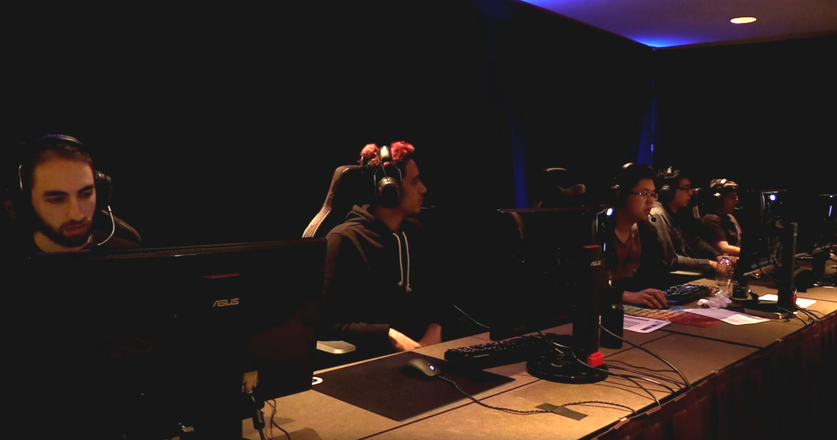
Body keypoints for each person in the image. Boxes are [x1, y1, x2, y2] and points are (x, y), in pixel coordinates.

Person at [321, 140, 442, 357]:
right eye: (415, 181)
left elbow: (437, 296)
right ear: (390, 189)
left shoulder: (416, 233)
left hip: (422, 357)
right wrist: (388, 335)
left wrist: (435, 326)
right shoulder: (344, 240)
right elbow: (324, 323)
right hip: (368, 363)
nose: (423, 189)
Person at [2, 134, 139, 255]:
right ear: (26, 201)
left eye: (86, 194)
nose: (77, 215)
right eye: (57, 199)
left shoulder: (130, 254)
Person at [605, 163, 670, 309]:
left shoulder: (647, 231)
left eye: (653, 194)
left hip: (633, 311)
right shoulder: (597, 231)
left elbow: (658, 277)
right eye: (643, 194)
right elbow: (581, 285)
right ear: (620, 195)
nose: (650, 201)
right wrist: (624, 296)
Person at [651, 167, 724, 274]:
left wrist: (718, 256)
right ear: (668, 191)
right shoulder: (658, 215)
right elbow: (671, 260)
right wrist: (710, 264)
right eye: (686, 188)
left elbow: (695, 242)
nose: (691, 193)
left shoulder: (679, 214)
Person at [701, 178, 742, 257]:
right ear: (718, 199)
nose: (736, 201)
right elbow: (723, 248)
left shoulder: (730, 217)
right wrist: (748, 252)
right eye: (732, 197)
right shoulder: (711, 220)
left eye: (736, 197)